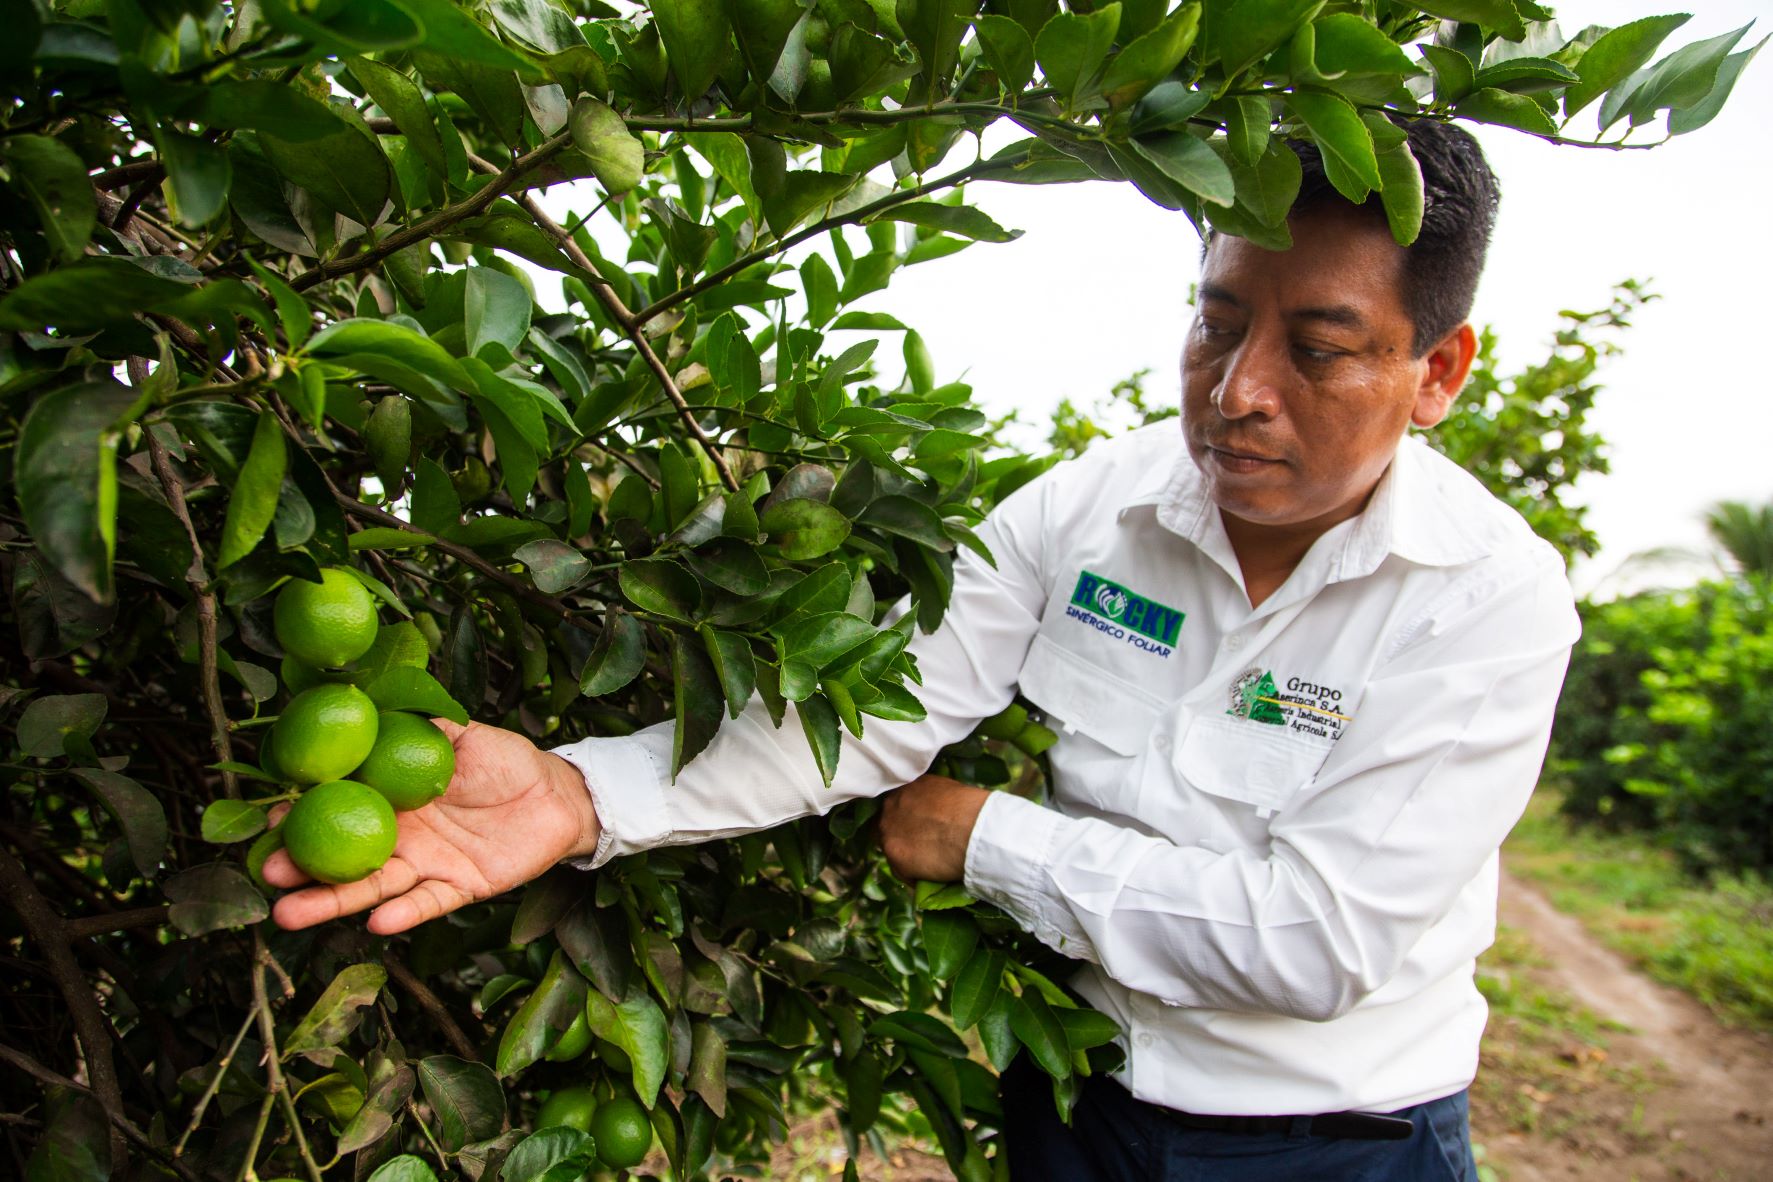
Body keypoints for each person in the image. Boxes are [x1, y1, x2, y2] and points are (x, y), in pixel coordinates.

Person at [267, 118, 1578, 1180]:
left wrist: (984, 837)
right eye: (1216, 320)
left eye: (1317, 348)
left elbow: (1310, 939)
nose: (1236, 389)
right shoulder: (1088, 509)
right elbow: (883, 704)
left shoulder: (1487, 603)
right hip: (1074, 1100)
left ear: (1437, 369)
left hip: (1338, 1147)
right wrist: (581, 789)